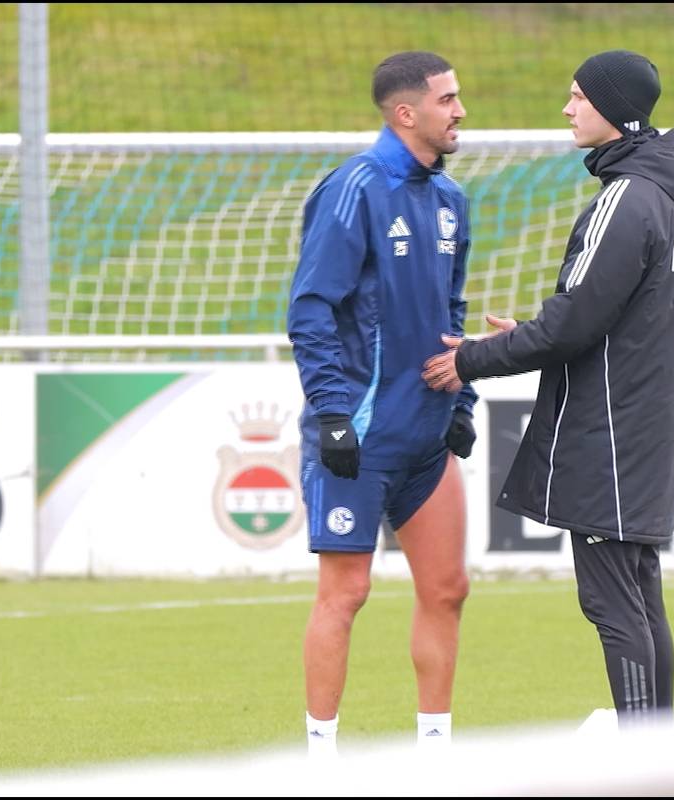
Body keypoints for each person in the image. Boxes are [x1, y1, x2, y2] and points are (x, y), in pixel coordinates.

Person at [422, 50, 674, 726]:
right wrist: (537, 327)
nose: (567, 108)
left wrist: (474, 359)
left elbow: (571, 326)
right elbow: (618, 316)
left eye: (578, 96)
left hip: (612, 427)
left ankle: (646, 764)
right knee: (639, 594)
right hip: (646, 423)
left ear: (613, 106)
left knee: (613, 602)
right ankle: (661, 751)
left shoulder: (628, 198)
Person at [288, 50, 478, 757]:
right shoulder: (353, 189)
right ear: (406, 113)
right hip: (359, 436)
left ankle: (434, 754)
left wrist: (466, 395)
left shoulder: (452, 199)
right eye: (448, 100)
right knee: (346, 593)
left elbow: (452, 307)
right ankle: (321, 759)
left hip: (426, 435)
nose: (460, 111)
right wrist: (332, 411)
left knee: (449, 588)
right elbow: (311, 308)